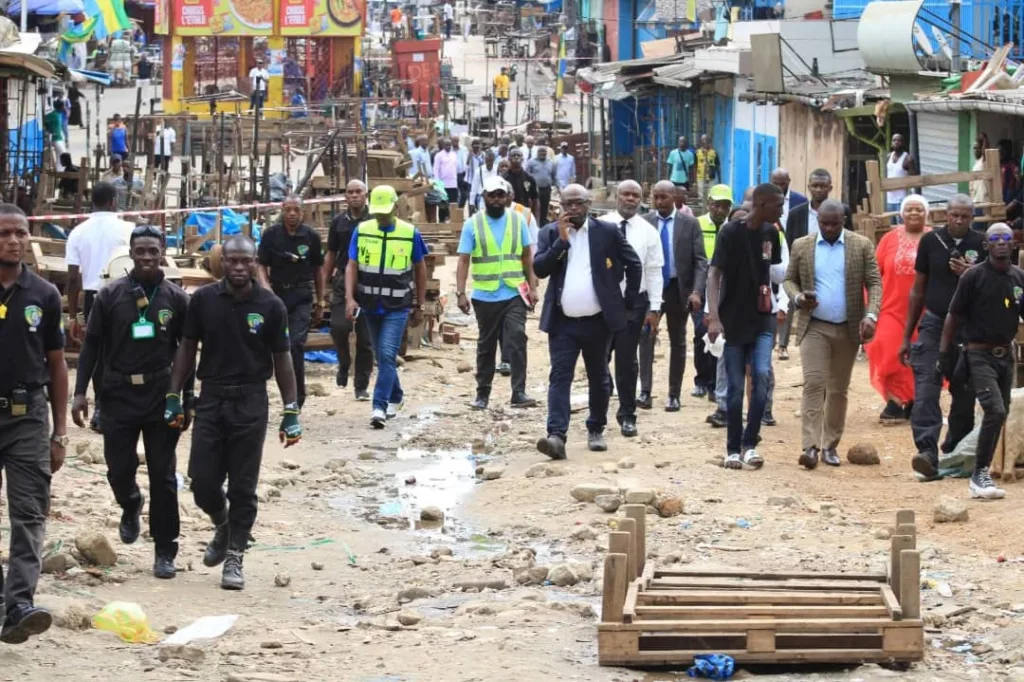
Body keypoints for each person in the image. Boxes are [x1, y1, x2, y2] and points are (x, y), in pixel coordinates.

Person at [168, 235, 300, 590]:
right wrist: (173, 393)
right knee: (202, 482)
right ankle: (223, 524)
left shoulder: (271, 306)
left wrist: (292, 409)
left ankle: (235, 556)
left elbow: (282, 358)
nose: (239, 267)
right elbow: (187, 347)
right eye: (232, 261)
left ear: (256, 262)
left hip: (251, 401)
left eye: (246, 261)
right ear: (221, 262)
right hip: (211, 399)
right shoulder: (204, 301)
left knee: (243, 485)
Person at [71, 224, 189, 578]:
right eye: (141, 251)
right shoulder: (110, 295)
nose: (148, 258)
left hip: (160, 396)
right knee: (118, 468)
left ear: (163, 251)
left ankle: (165, 549)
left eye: (154, 251)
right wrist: (81, 393)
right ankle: (130, 503)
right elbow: (91, 345)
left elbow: (188, 352)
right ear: (131, 253)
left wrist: (187, 399)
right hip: (118, 394)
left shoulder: (177, 299)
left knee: (163, 476)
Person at [533, 184, 642, 459]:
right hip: (563, 323)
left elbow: (634, 263)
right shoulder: (549, 232)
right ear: (560, 206)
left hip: (598, 321)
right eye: (567, 204)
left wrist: (627, 301)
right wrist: (561, 240)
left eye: (578, 203)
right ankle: (556, 435)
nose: (573, 209)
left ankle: (596, 428)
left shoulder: (606, 232)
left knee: (599, 376)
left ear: (588, 204)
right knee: (560, 376)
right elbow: (540, 269)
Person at [0, 204, 68, 643]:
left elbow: (58, 364)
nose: (13, 241)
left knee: (29, 513)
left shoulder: (44, 294)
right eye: (5, 234)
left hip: (27, 417)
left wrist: (60, 432)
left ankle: (19, 604)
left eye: (20, 233)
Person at [783, 200, 882, 469]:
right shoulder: (802, 246)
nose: (829, 228)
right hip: (814, 325)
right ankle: (810, 447)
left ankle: (830, 445)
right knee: (814, 383)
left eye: (834, 223)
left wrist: (871, 315)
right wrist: (799, 297)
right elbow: (789, 280)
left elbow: (874, 282)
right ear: (817, 222)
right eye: (824, 223)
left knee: (838, 389)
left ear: (843, 221)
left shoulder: (860, 246)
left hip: (848, 327)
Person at [899, 194, 984, 478]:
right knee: (925, 389)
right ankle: (927, 451)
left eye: (965, 216)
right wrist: (906, 336)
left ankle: (954, 451)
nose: (959, 221)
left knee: (964, 392)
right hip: (934, 325)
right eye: (954, 215)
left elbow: (995, 286)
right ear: (945, 215)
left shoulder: (982, 244)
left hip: (968, 328)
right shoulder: (930, 242)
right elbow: (917, 290)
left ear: (972, 218)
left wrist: (972, 275)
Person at [940, 222, 1022, 499]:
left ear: (1013, 244)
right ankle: (980, 474)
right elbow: (953, 315)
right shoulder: (973, 276)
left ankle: (980, 475)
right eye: (995, 238)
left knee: (1001, 413)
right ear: (986, 245)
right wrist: (943, 353)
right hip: (978, 353)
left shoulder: (1018, 277)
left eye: (1006, 238)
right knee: (995, 410)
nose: (1001, 242)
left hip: (1005, 355)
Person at [706, 183, 785, 470]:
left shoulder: (771, 233)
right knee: (736, 388)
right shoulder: (730, 232)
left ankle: (751, 443)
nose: (782, 209)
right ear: (762, 204)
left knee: (761, 377)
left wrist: (783, 300)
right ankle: (732, 448)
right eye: (778, 205)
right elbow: (714, 273)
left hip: (762, 318)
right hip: (733, 320)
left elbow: (773, 272)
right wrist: (714, 316)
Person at [344, 186, 428, 428]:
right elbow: (352, 265)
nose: (381, 217)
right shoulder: (362, 230)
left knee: (387, 354)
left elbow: (420, 268)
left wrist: (419, 304)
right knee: (383, 356)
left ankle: (379, 406)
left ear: (395, 207)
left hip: (397, 305)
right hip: (370, 304)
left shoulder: (409, 233)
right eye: (378, 212)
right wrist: (350, 298)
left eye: (386, 211)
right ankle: (397, 396)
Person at [456, 176, 539, 409]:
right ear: (484, 197)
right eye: (491, 195)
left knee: (517, 338)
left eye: (500, 195)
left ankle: (519, 392)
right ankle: (482, 394)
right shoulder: (473, 224)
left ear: (507, 197)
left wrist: (532, 287)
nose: (496, 199)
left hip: (514, 292)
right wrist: (460, 292)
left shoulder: (518, 221)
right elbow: (463, 260)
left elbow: (526, 256)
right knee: (486, 344)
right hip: (485, 295)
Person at [66, 182, 134, 431]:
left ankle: (101, 410)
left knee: (95, 353)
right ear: (114, 201)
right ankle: (120, 408)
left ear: (91, 201)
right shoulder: (128, 229)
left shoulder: (78, 232)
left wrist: (73, 315)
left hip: (94, 296)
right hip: (126, 296)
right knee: (125, 350)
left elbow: (73, 278)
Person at [601, 180, 663, 435]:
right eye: (625, 194)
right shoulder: (601, 226)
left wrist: (655, 308)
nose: (630, 199)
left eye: (635, 196)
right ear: (617, 197)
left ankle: (628, 413)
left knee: (627, 361)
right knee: (600, 358)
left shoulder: (649, 232)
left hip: (634, 303)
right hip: (602, 302)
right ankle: (598, 412)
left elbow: (654, 270)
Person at [639, 180, 706, 411]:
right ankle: (645, 392)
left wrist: (696, 291)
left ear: (675, 197)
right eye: (655, 197)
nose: (659, 202)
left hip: (678, 290)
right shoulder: (644, 222)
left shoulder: (690, 224)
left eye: (664, 197)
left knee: (678, 341)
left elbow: (700, 261)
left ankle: (673, 394)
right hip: (650, 290)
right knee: (646, 337)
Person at [865, 194, 930, 424]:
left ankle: (912, 402)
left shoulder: (934, 238)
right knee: (885, 347)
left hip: (925, 310)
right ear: (901, 213)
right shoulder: (890, 239)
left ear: (926, 214)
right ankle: (894, 399)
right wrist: (870, 307)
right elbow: (874, 274)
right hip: (891, 307)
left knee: (919, 355)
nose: (914, 213)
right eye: (909, 209)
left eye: (919, 210)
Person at [257, 195, 325, 409]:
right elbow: (260, 264)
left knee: (295, 345)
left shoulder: (311, 237)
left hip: (301, 295)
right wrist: (265, 287)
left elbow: (318, 269)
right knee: (269, 344)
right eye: (288, 209)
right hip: (276, 296)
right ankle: (262, 392)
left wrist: (321, 301)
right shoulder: (271, 235)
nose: (292, 213)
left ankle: (296, 396)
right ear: (282, 211)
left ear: (303, 212)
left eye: (296, 209)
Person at [779, 169, 851, 360]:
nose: (819, 189)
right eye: (815, 185)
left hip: (830, 263)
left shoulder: (842, 211)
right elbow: (789, 239)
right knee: (792, 299)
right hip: (802, 262)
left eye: (823, 186)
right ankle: (783, 344)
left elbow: (849, 238)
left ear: (830, 187)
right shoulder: (797, 213)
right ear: (809, 187)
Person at [324, 180, 374, 398]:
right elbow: (331, 253)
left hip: (370, 280)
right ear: (345, 197)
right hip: (342, 279)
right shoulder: (338, 222)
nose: (354, 196)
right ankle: (344, 362)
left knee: (366, 337)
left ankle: (361, 385)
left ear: (366, 194)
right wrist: (324, 281)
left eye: (358, 192)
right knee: (338, 327)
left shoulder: (374, 219)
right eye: (350, 192)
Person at [694, 184, 732, 409]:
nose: (719, 209)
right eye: (716, 204)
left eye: (724, 205)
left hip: (724, 287)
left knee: (720, 337)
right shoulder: (697, 224)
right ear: (709, 204)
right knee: (701, 333)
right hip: (701, 285)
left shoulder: (733, 226)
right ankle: (702, 380)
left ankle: (714, 385)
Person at [502, 149, 539, 219]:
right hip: (508, 212)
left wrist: (536, 220)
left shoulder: (529, 178)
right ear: (509, 159)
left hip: (524, 212)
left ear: (522, 159)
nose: (516, 157)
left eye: (518, 155)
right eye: (513, 155)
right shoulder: (503, 179)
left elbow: (535, 201)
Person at [885, 133, 916, 215]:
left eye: (899, 140)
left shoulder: (907, 158)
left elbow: (914, 179)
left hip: (901, 199)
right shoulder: (888, 156)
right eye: (894, 140)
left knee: (901, 225)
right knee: (890, 225)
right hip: (889, 199)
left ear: (903, 143)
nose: (896, 142)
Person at [525, 146, 556, 225]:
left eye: (544, 152)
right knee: (535, 207)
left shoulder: (550, 162)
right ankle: (534, 222)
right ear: (537, 153)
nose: (542, 153)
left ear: (546, 153)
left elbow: (553, 175)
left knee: (545, 206)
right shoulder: (531, 162)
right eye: (541, 151)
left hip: (546, 189)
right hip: (535, 189)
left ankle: (543, 222)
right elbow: (527, 176)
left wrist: (554, 184)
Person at [433, 138, 460, 209]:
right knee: (443, 204)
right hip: (443, 184)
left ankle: (453, 218)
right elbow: (436, 169)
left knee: (453, 203)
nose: (448, 147)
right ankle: (442, 219)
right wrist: (437, 182)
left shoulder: (454, 155)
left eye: (449, 145)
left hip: (453, 183)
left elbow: (455, 168)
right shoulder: (439, 155)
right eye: (447, 145)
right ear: (443, 146)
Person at [470, 149, 500, 214]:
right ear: (485, 160)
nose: (489, 162)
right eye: (487, 160)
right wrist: (471, 203)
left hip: (494, 197)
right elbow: (474, 188)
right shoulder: (479, 171)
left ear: (494, 160)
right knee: (482, 215)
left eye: (491, 160)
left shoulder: (497, 170)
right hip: (482, 198)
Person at [695, 135, 719, 202]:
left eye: (705, 141)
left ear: (709, 142)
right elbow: (695, 166)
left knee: (711, 194)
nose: (704, 142)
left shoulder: (714, 153)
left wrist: (720, 180)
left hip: (711, 177)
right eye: (702, 141)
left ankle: (709, 208)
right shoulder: (697, 152)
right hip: (700, 176)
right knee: (701, 194)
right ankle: (701, 208)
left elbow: (718, 166)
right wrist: (695, 180)